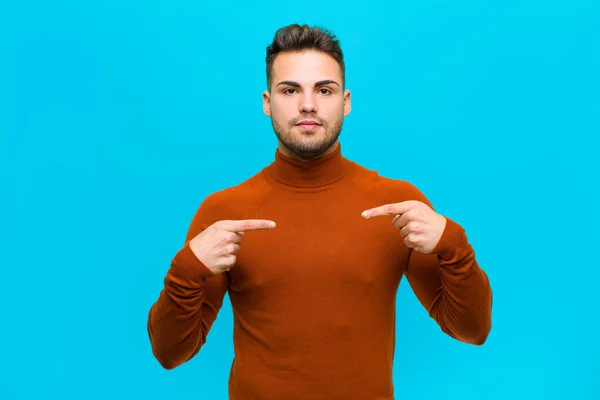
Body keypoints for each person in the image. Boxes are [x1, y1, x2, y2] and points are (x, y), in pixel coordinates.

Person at [147, 23, 493, 400]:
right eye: (290, 90)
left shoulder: (397, 204)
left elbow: (471, 330)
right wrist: (188, 269)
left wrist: (452, 244)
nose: (307, 104)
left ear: (345, 101)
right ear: (267, 103)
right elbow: (170, 353)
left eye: (323, 90)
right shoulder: (224, 212)